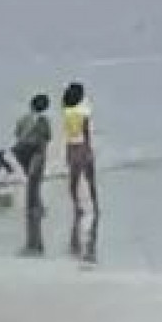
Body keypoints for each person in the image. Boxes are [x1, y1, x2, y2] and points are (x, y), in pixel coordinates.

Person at [11, 94, 53, 255]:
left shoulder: (23, 118)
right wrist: (42, 154)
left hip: (21, 151)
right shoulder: (43, 121)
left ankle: (36, 205)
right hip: (35, 151)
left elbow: (17, 135)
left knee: (31, 180)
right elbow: (46, 139)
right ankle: (34, 207)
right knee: (35, 181)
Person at [61, 83, 97, 248]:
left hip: (70, 147)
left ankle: (77, 206)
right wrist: (89, 150)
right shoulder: (83, 112)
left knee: (73, 181)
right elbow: (86, 132)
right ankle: (95, 205)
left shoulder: (66, 111)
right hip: (82, 146)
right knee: (90, 179)